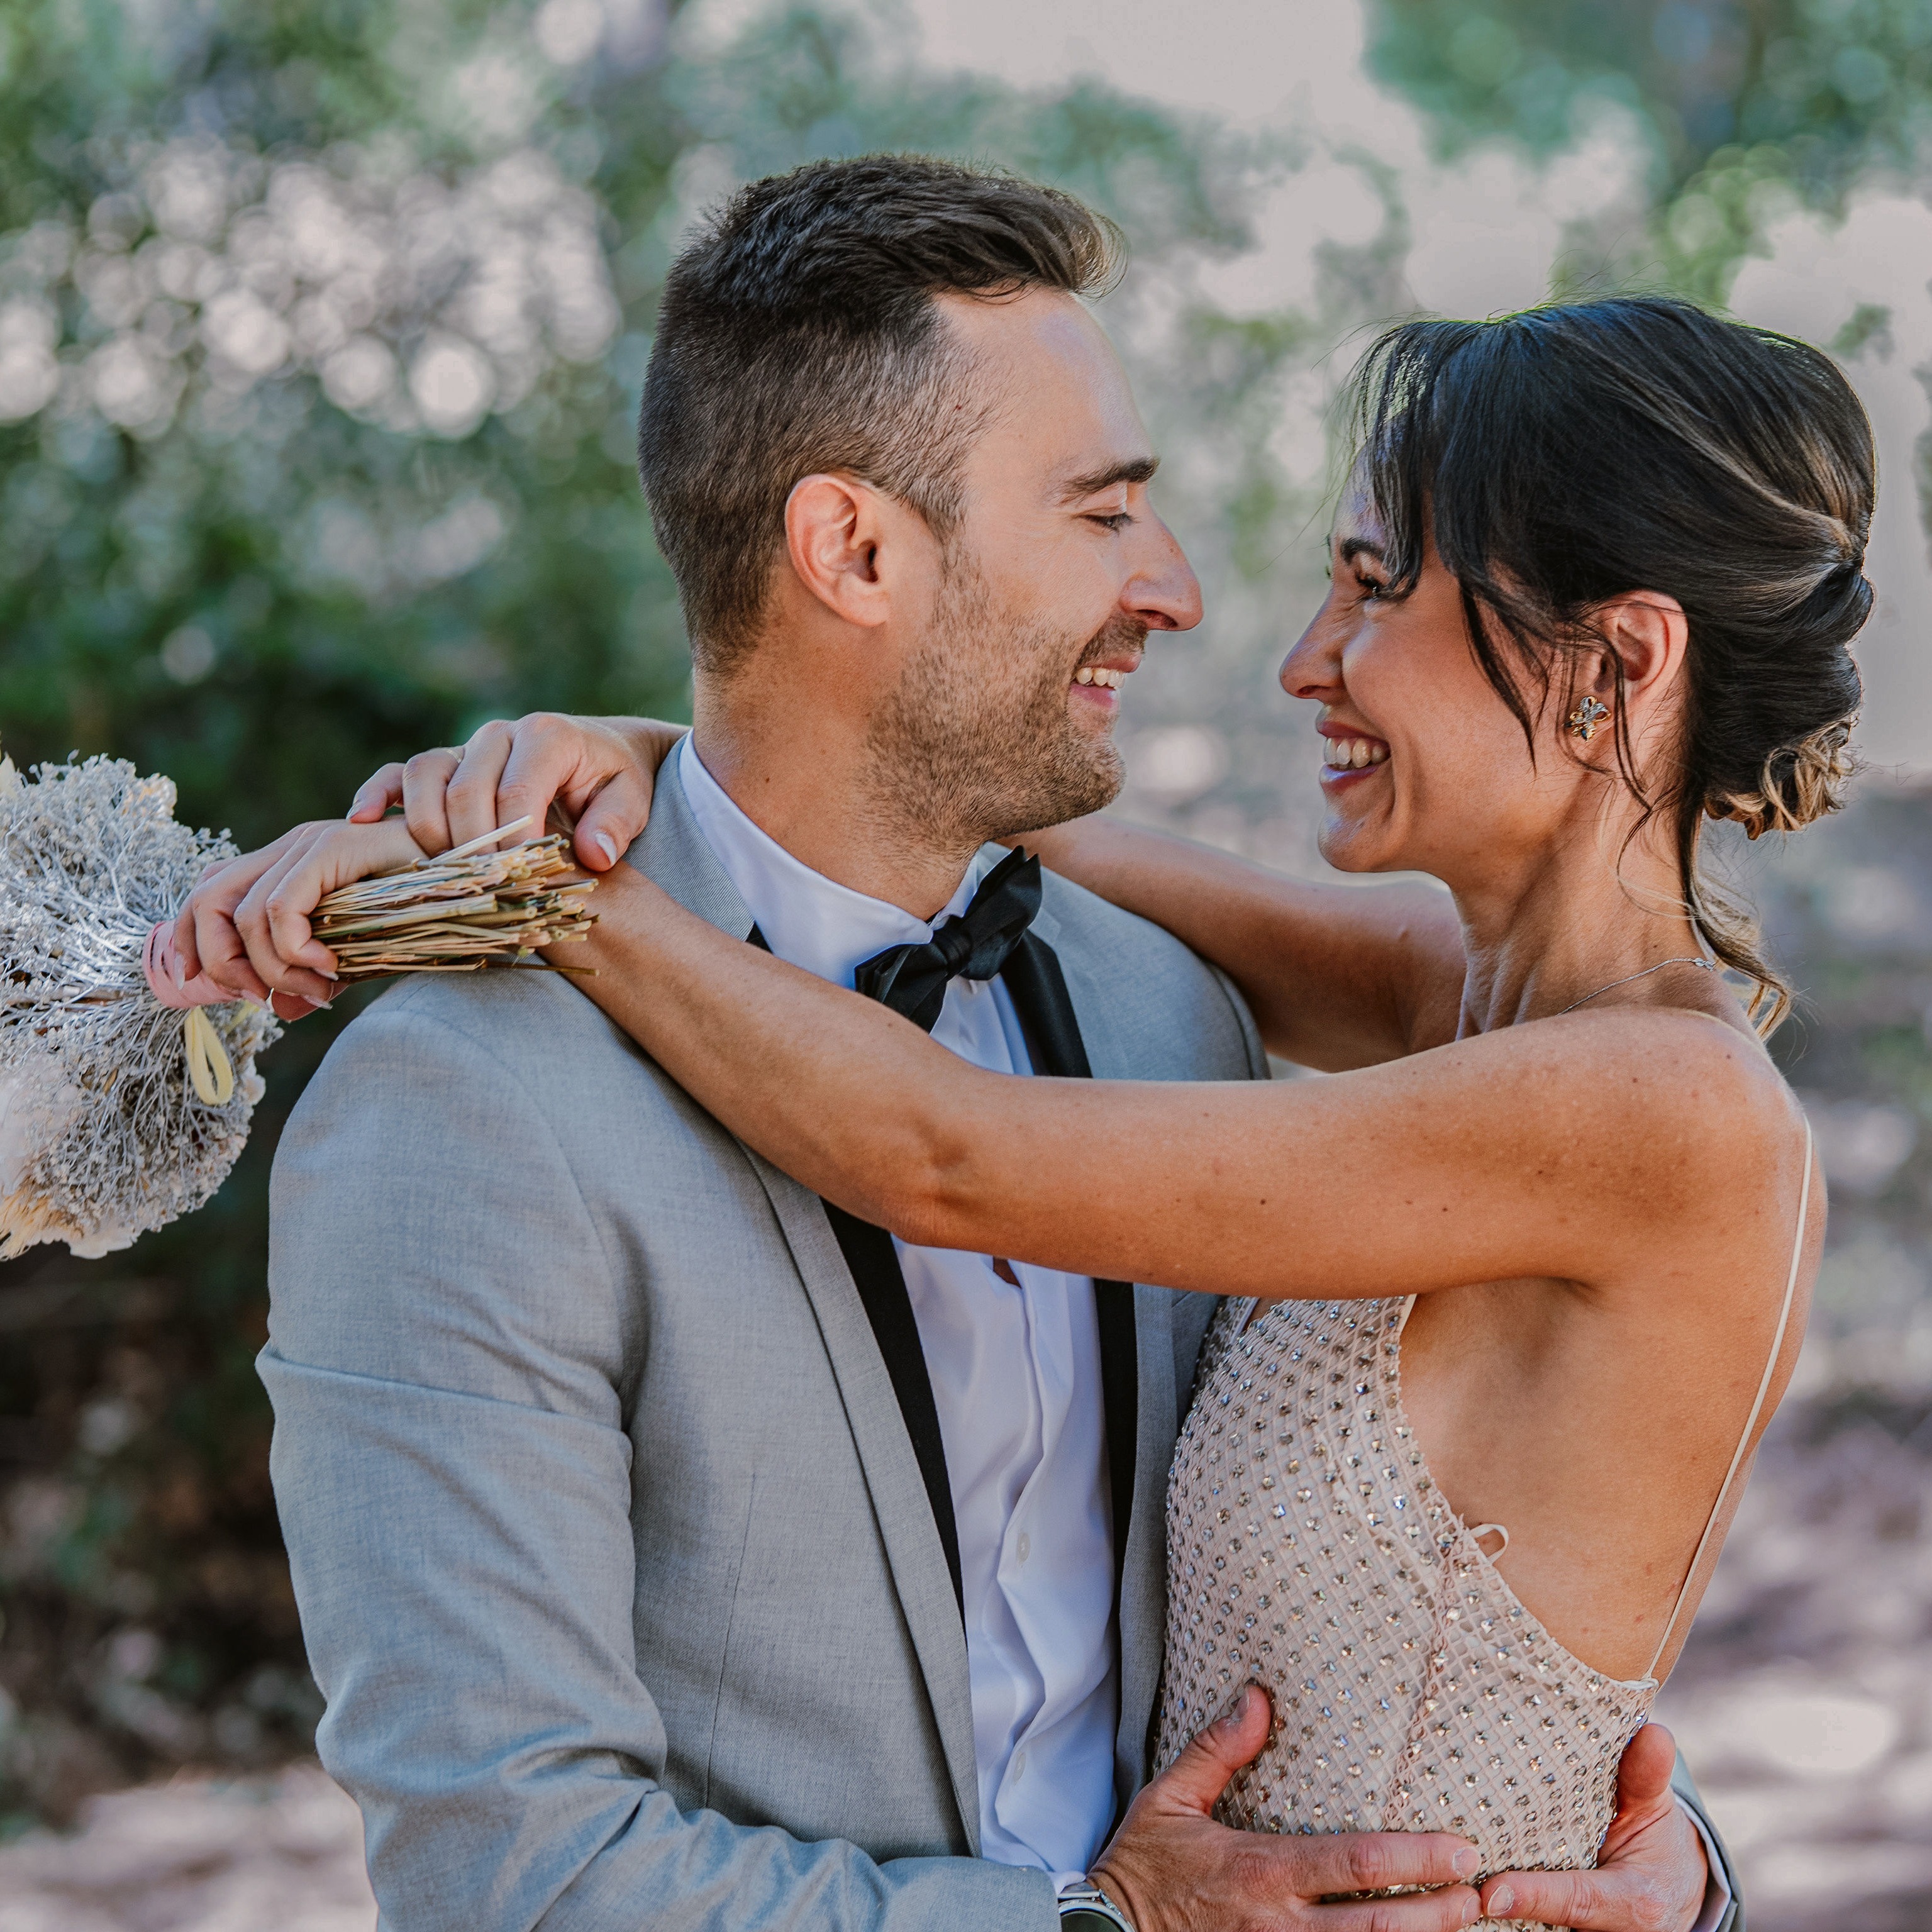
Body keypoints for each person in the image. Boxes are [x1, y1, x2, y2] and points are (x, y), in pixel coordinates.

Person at [180, 164, 1741, 1931]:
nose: (1180, 591)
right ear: (853, 552)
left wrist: (1633, 1854)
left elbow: (1406, 1587)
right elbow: (510, 1874)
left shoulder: (1171, 1011)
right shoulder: (462, 1108)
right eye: (1104, 512)